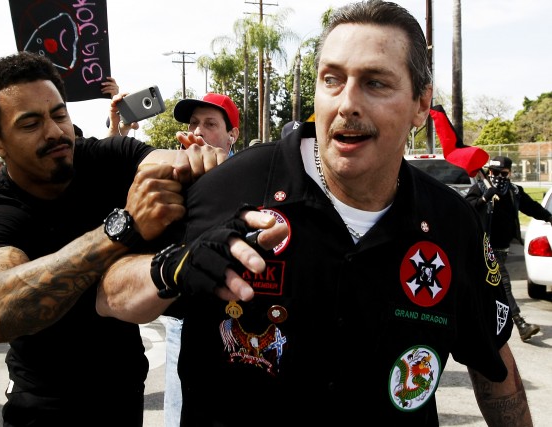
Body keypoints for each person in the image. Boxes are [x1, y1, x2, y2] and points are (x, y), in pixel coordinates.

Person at [96, 1, 532, 425]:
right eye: (332, 80)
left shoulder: (451, 222)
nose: (347, 104)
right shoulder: (230, 187)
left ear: (421, 104)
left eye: (375, 83)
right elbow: (109, 295)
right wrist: (172, 268)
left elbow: (494, 369)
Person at [0, 51, 227, 425]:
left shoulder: (103, 156)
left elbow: (165, 162)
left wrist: (203, 163)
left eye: (59, 114)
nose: (54, 131)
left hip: (125, 395)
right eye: (30, 123)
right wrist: (122, 229)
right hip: (47, 408)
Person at [158, 92, 241, 427]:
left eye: (210, 123)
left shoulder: (250, 176)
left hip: (235, 322)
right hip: (182, 318)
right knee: (179, 411)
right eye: (194, 123)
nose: (199, 130)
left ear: (232, 134)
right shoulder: (174, 175)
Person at [466, 155, 551, 342]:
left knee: (488, 288)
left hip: (504, 249)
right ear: (489, 172)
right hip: (485, 247)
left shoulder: (514, 192)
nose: (497, 176)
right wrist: (482, 199)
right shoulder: (480, 188)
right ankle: (520, 323)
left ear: (510, 173)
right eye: (494, 172)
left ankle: (481, 322)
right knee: (503, 284)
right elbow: (466, 210)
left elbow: (533, 208)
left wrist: (549, 217)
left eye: (502, 173)